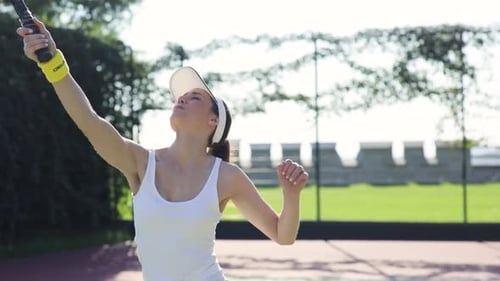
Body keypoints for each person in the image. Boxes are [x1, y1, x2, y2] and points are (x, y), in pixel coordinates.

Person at [16, 18, 309, 281]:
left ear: (213, 120)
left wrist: (291, 195)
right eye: (181, 96)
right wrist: (52, 63)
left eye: (194, 97)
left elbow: (283, 235)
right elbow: (88, 120)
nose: (181, 99)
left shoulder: (227, 177)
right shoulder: (141, 162)